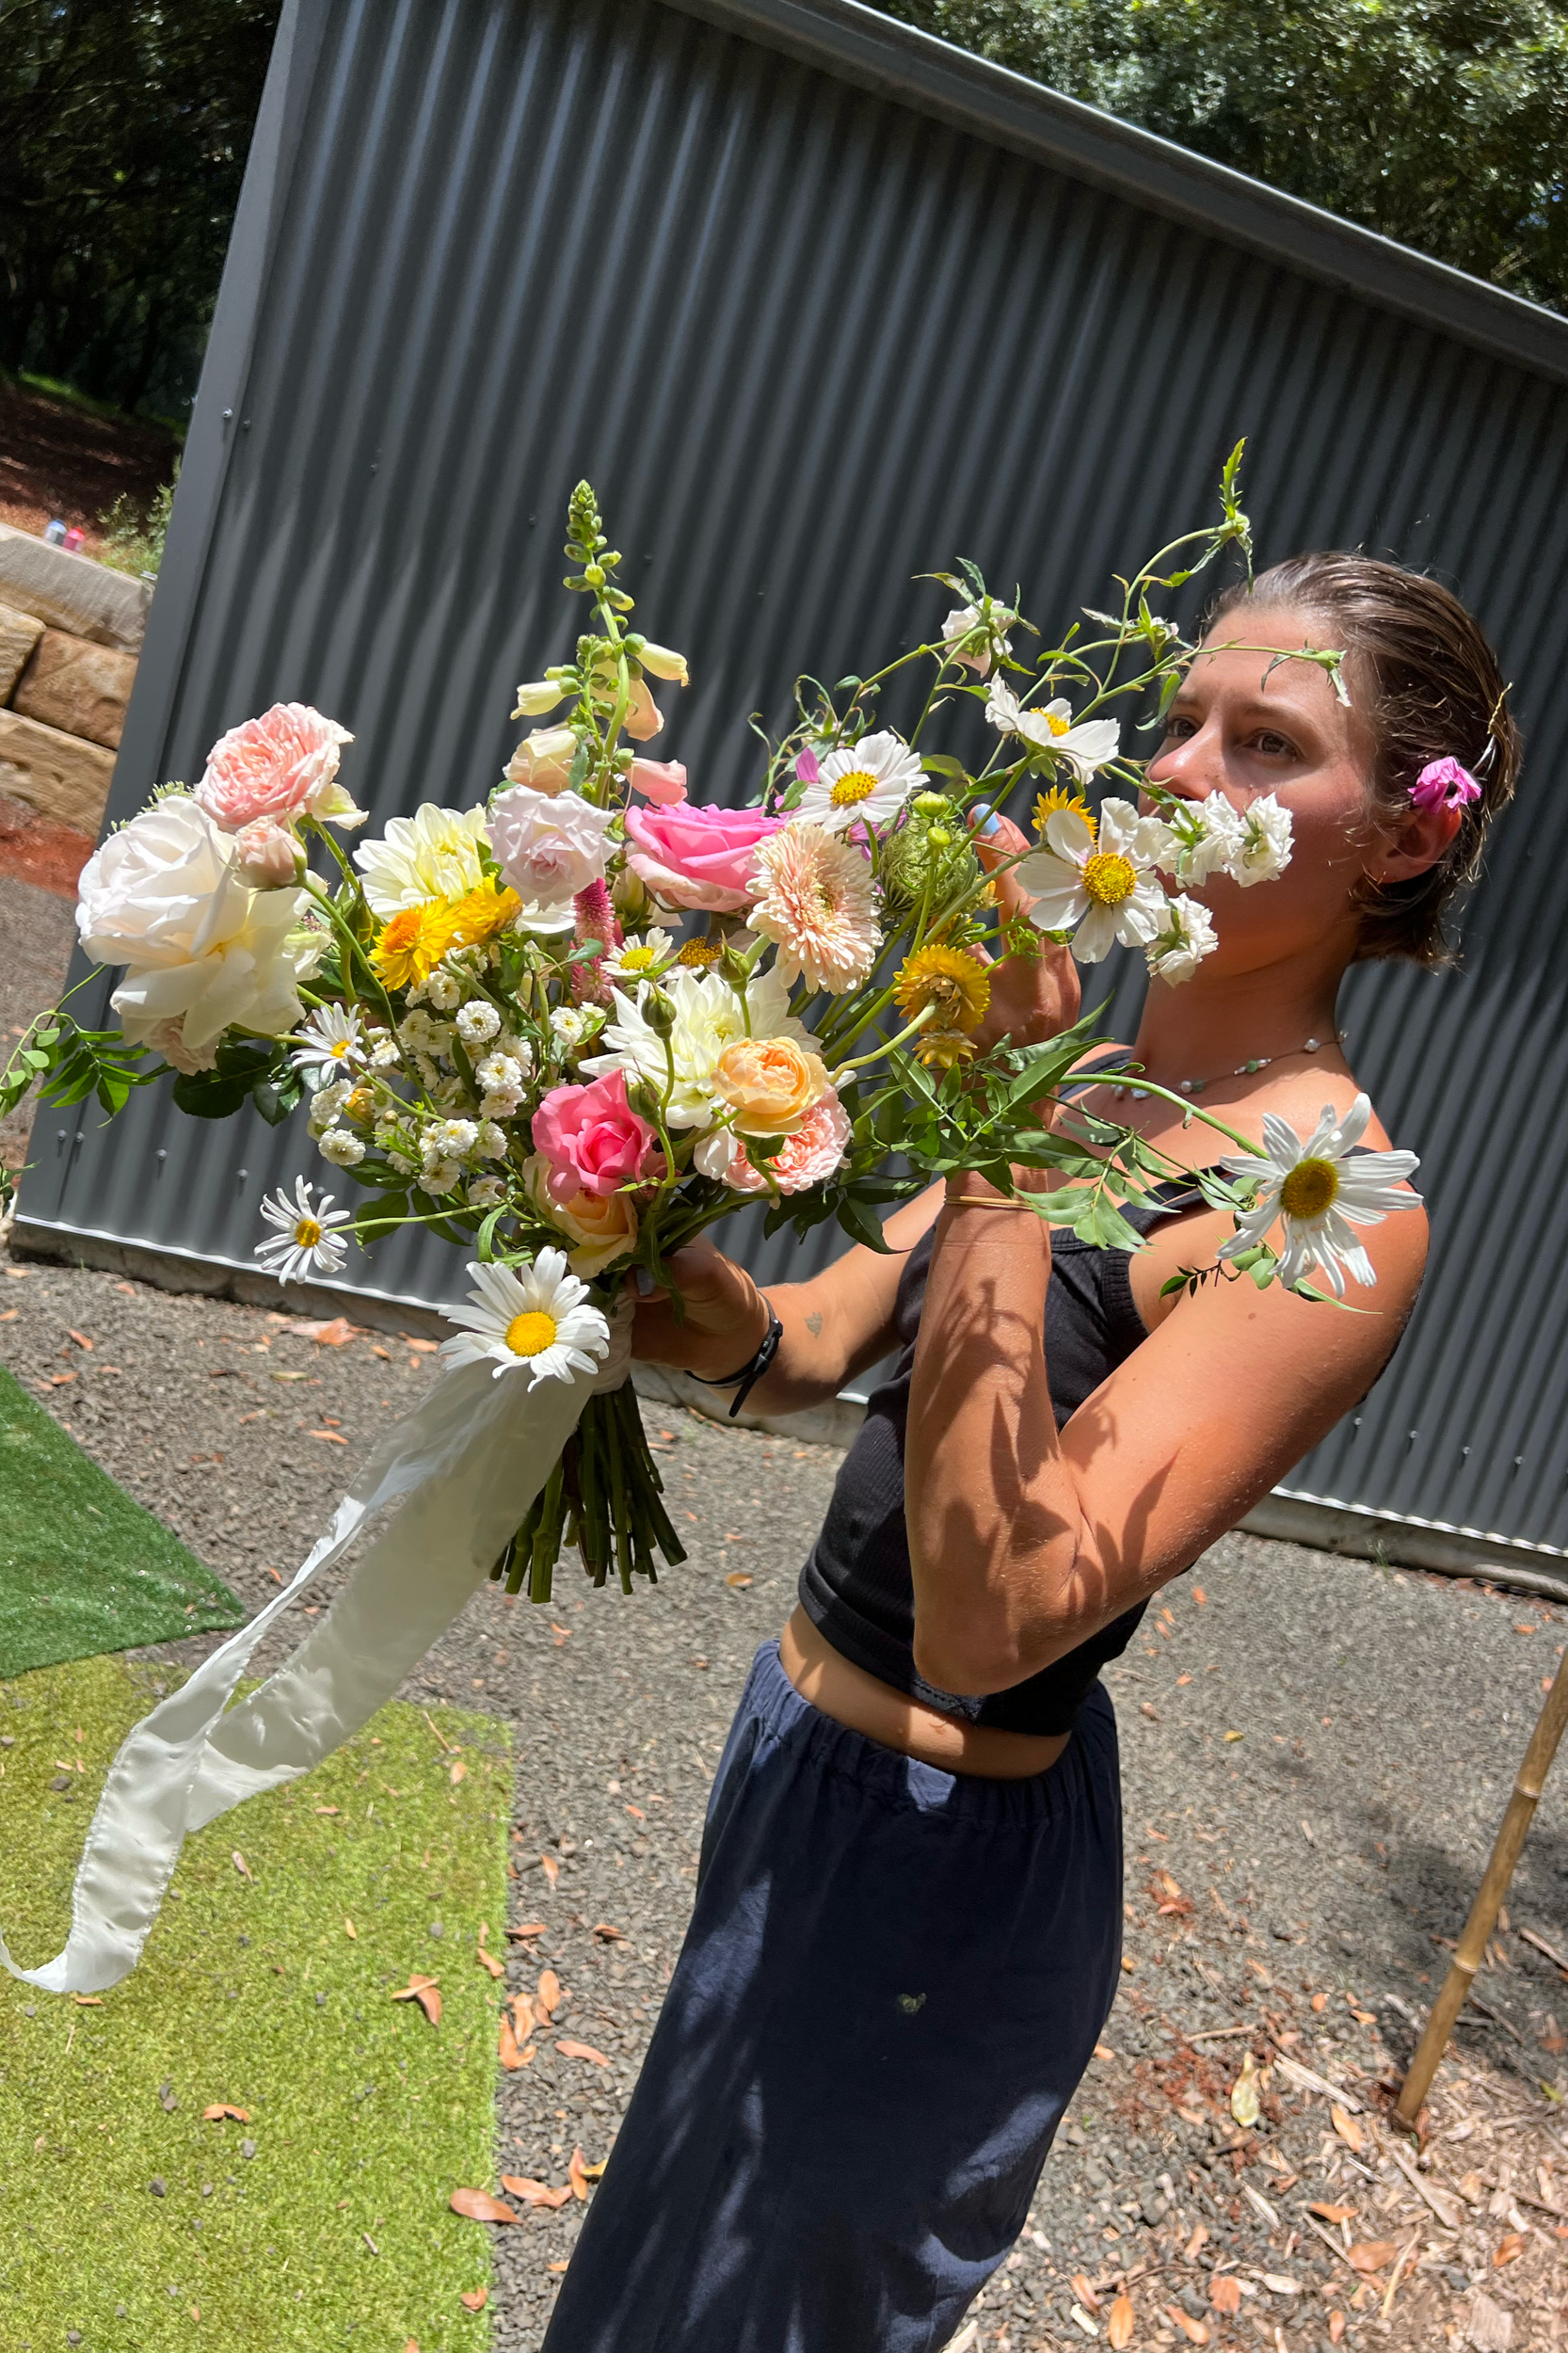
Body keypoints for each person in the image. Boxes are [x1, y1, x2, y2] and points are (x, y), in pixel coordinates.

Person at [539, 553, 1518, 2353]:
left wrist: (995, 1129)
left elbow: (998, 1613)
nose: (1178, 771)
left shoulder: (1332, 1207)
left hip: (938, 1863)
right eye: (1181, 719)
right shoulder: (1081, 1083)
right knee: (645, 2288)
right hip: (792, 1765)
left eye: (1265, 743)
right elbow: (820, 1341)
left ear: (1398, 838)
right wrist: (667, 1280)